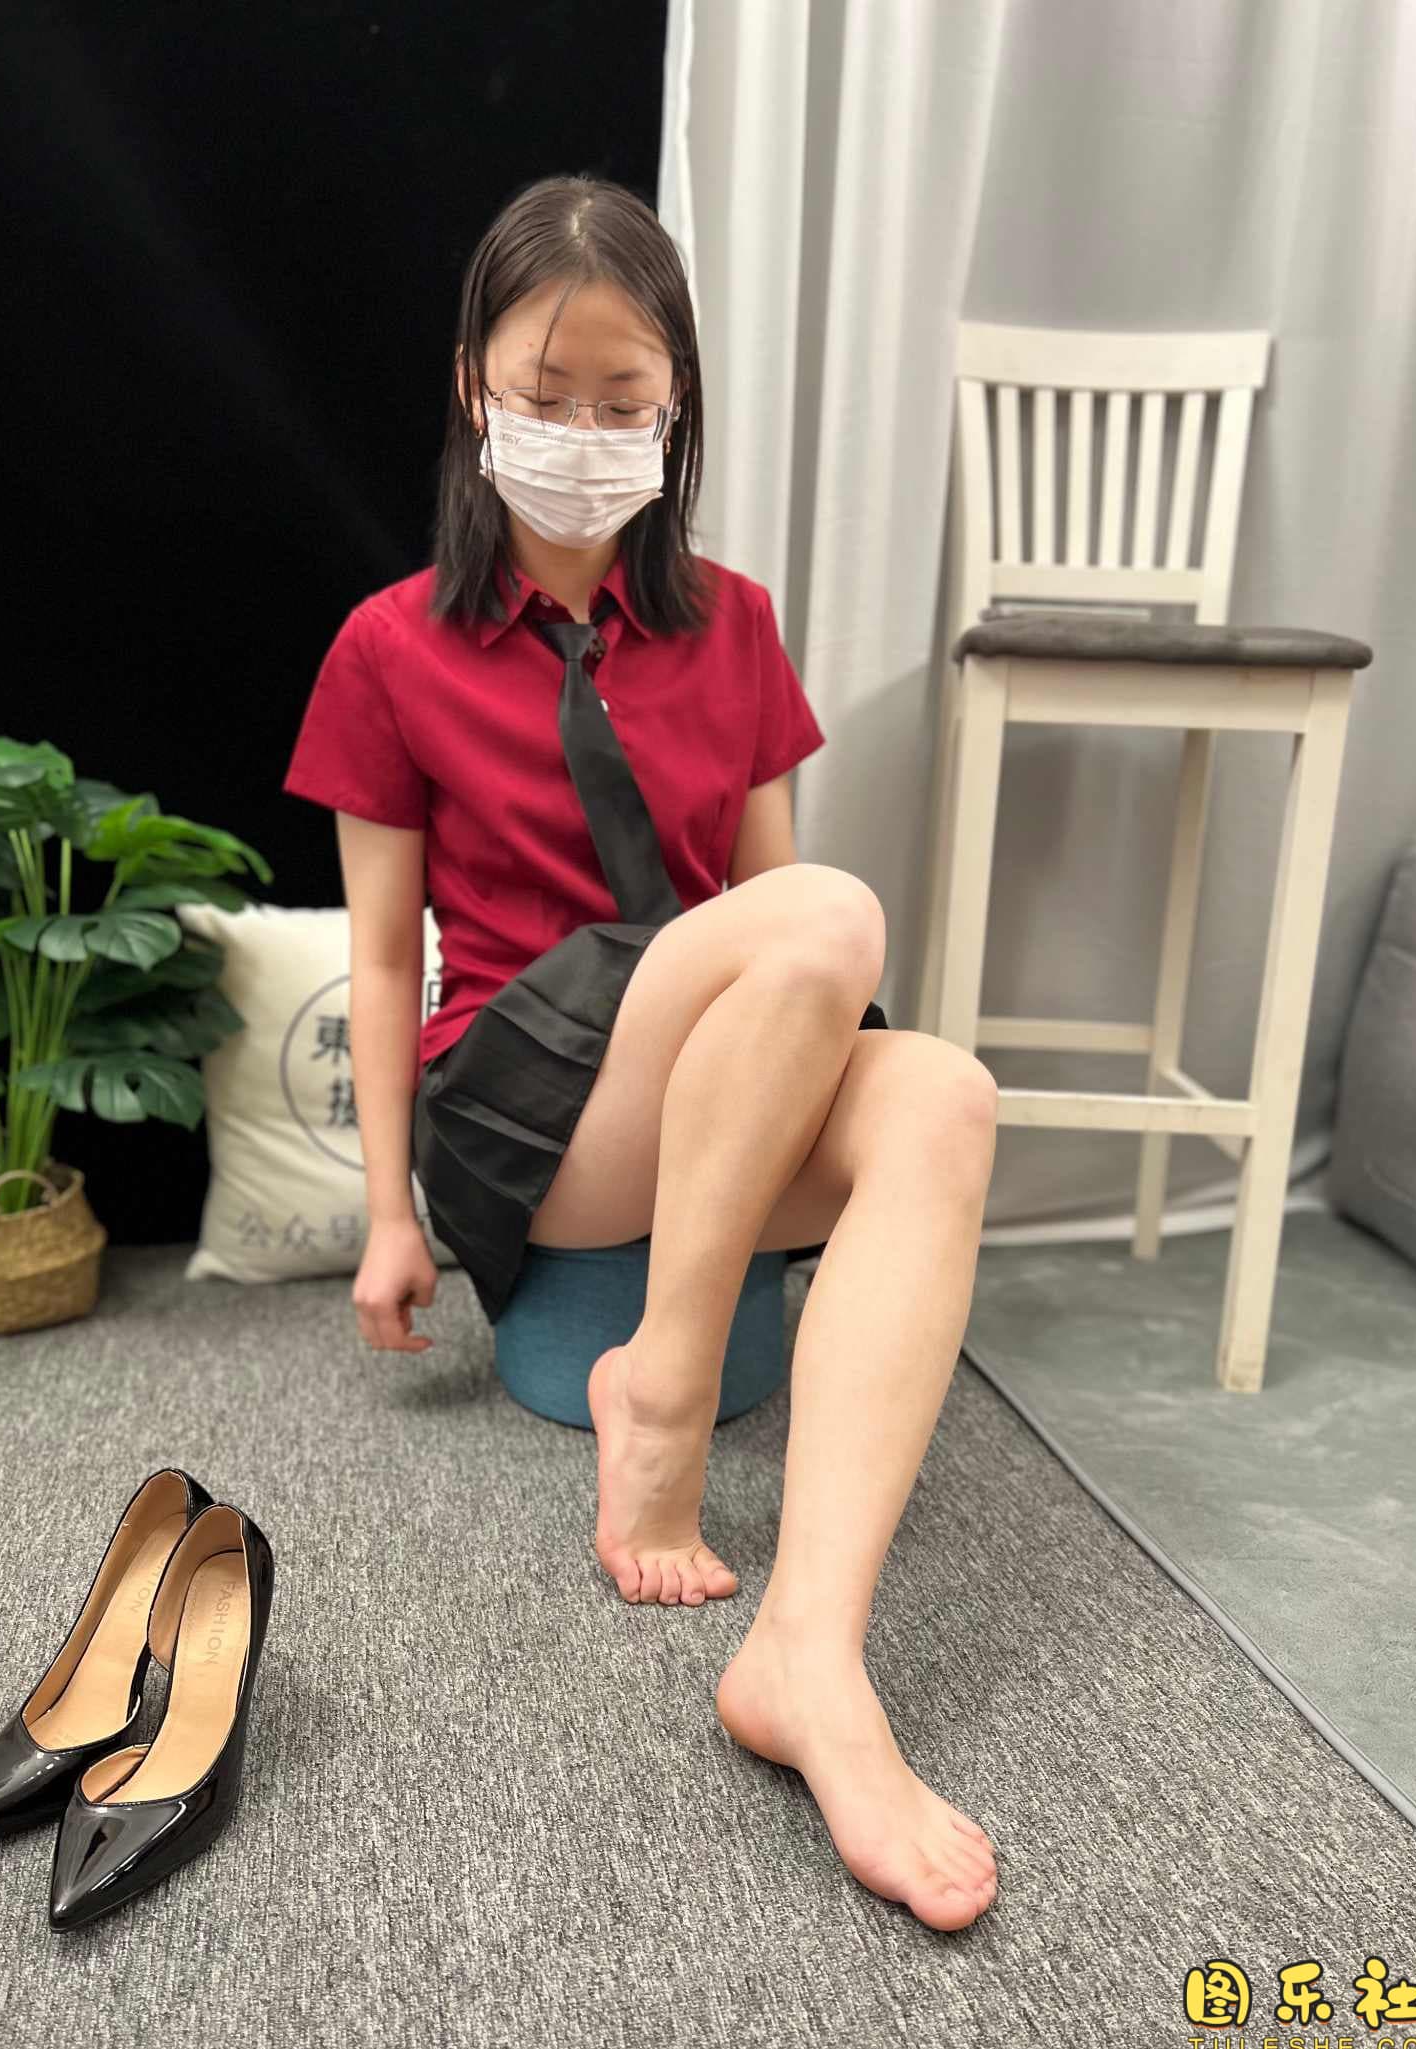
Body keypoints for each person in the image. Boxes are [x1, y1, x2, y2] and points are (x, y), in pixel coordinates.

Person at [282, 173, 1001, 1933]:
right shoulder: (390, 645)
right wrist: (387, 1215)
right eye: (551, 395)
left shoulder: (731, 625)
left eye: (627, 404)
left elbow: (775, 943)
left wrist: (806, 1026)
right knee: (828, 914)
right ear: (475, 389)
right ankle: (665, 1394)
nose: (588, 435)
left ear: (678, 412)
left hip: (704, 1063)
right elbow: (380, 957)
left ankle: (808, 1652)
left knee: (941, 1092)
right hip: (522, 1112)